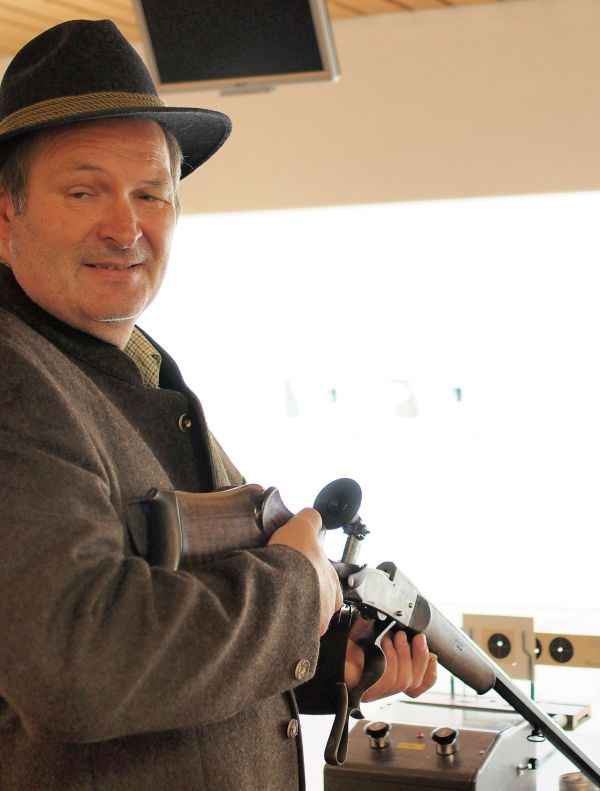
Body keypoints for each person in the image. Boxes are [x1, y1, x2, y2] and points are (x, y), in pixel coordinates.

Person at [0, 19, 437, 791]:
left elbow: (165, 644)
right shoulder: (17, 379)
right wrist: (297, 590)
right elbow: (78, 663)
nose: (126, 226)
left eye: (150, 194)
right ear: (6, 215)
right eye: (83, 191)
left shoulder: (135, 367)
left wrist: (322, 660)